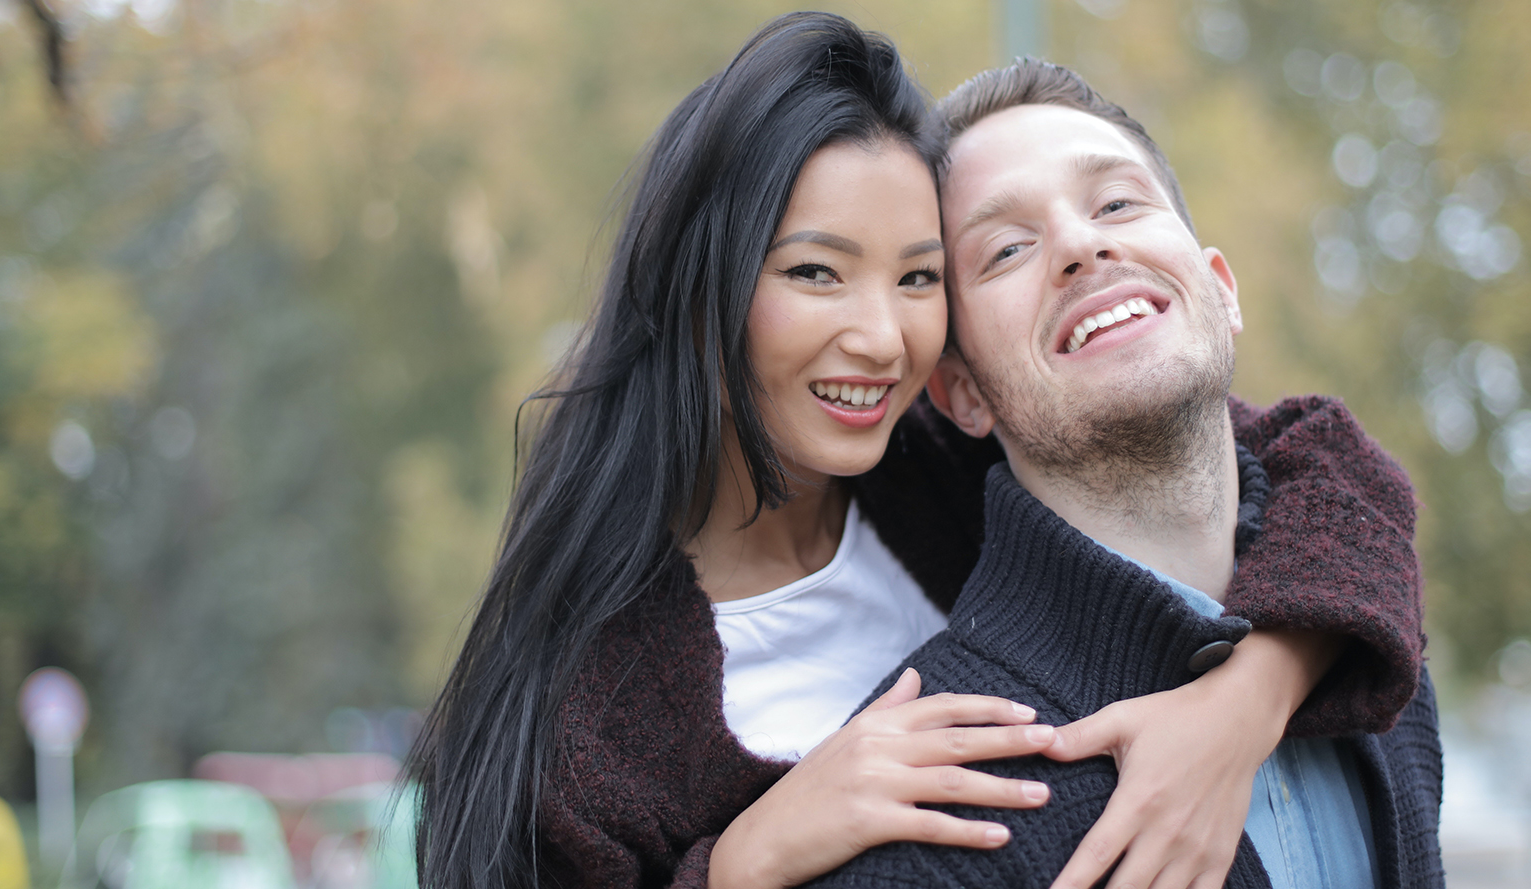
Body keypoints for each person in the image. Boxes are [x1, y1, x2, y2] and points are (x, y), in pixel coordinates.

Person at [406, 14, 1425, 889]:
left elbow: (1330, 473)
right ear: (697, 290)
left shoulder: (948, 460)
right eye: (816, 272)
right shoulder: (584, 713)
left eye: (919, 277)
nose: (884, 338)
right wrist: (743, 860)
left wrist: (1243, 706)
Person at [806, 60, 1444, 889]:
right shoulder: (932, 813)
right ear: (961, 393)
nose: (1080, 244)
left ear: (1221, 289)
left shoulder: (1379, 671)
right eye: (1005, 248)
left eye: (1116, 202)